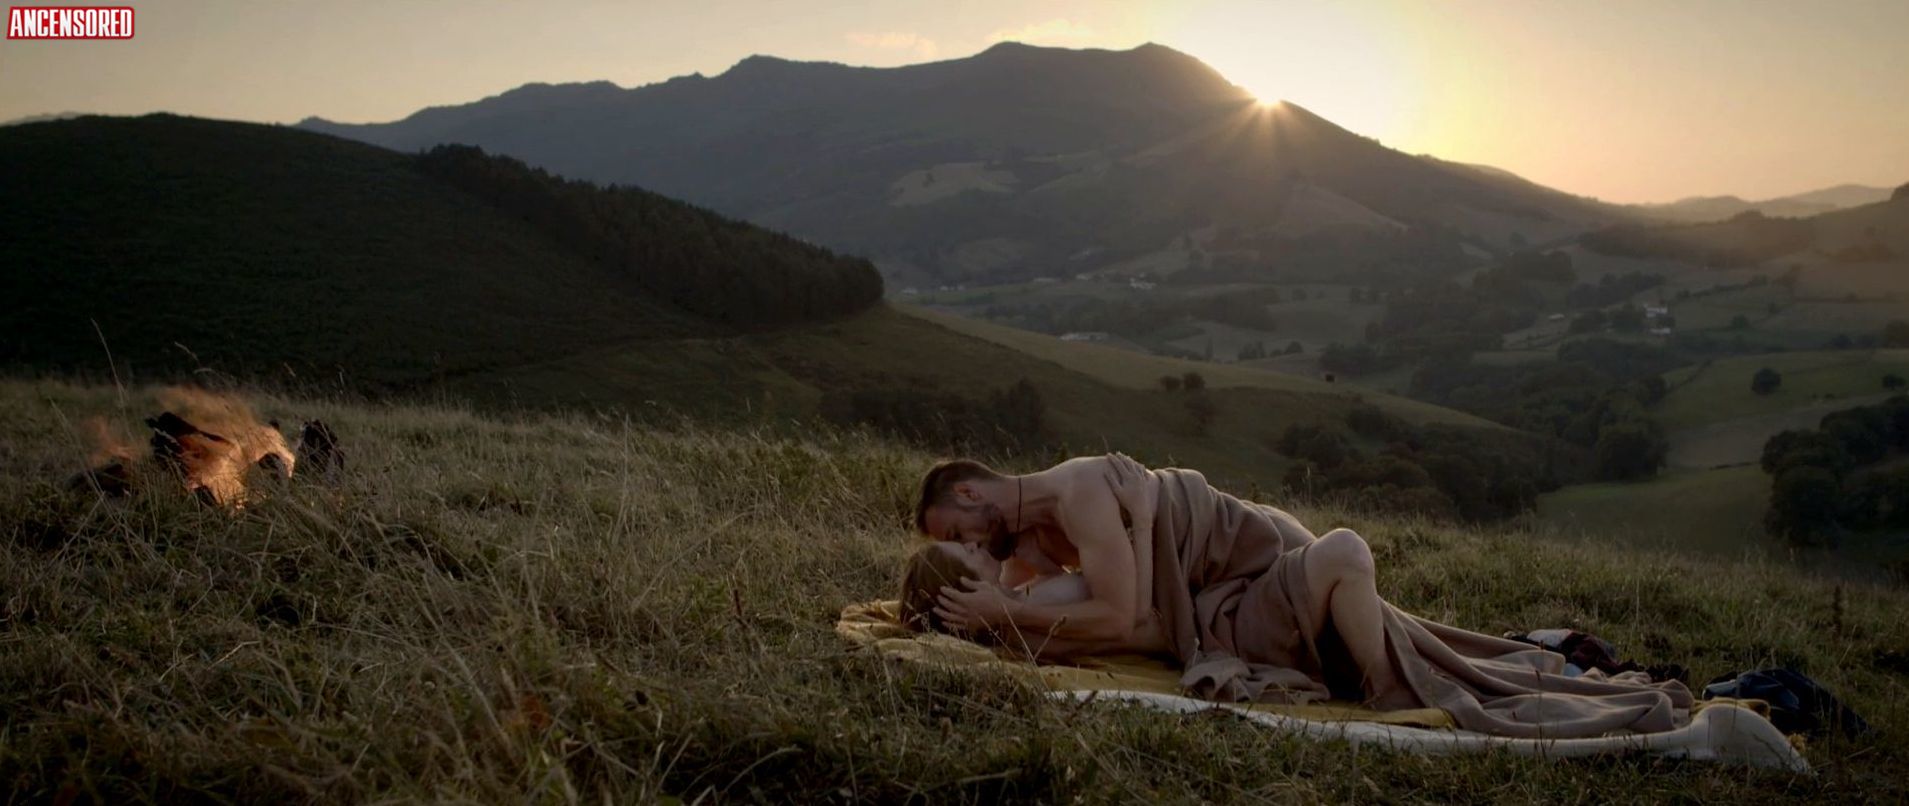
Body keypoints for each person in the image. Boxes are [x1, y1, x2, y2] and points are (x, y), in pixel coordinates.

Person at [910, 453, 1695, 738]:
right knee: (1352, 563)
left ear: (972, 492)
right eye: (963, 548)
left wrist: (998, 603)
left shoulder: (1066, 502)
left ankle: (1540, 663)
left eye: (961, 530)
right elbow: (1123, 618)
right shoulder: (1033, 553)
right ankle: (1398, 690)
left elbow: (1084, 607)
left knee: (1420, 630)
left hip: (1250, 568)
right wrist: (993, 610)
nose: (977, 546)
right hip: (1242, 596)